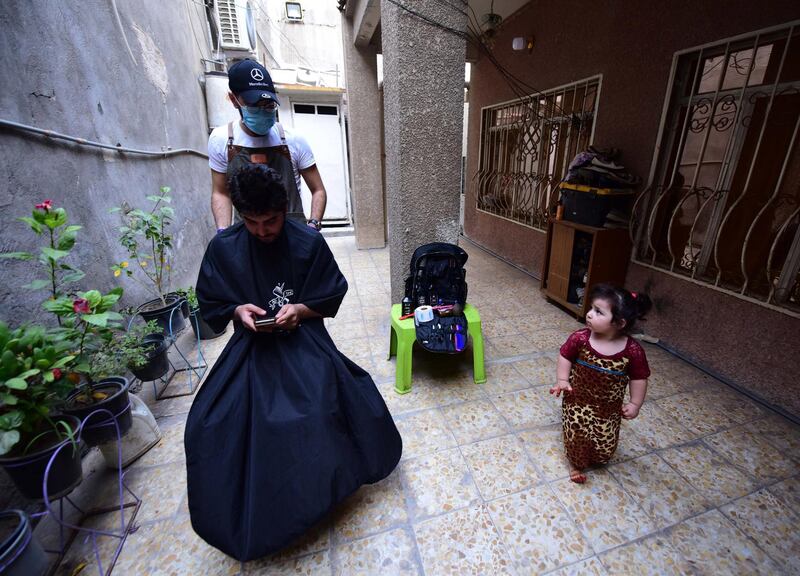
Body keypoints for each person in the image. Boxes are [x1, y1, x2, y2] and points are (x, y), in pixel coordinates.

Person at [185, 164, 401, 561]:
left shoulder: (307, 241)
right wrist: (237, 311)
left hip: (303, 341)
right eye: (252, 222)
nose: (263, 231)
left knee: (316, 407)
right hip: (252, 349)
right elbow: (210, 304)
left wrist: (300, 309)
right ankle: (262, 510)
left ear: (285, 209)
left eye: (271, 221)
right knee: (212, 422)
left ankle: (319, 494)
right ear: (239, 214)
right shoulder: (224, 247)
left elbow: (331, 294)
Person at [208, 58, 327, 232]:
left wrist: (313, 225)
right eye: (254, 106)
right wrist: (223, 233)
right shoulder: (221, 140)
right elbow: (220, 192)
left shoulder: (293, 139)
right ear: (234, 100)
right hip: (247, 236)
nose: (263, 111)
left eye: (269, 105)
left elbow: (318, 189)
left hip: (292, 234)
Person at [549, 284, 652, 484]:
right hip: (577, 402)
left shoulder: (633, 350)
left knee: (605, 439)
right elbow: (565, 356)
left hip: (608, 408)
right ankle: (575, 463)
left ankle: (598, 455)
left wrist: (635, 403)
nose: (589, 314)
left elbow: (639, 378)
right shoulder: (580, 338)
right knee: (576, 435)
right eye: (591, 308)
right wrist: (562, 380)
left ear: (620, 323)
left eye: (598, 312)